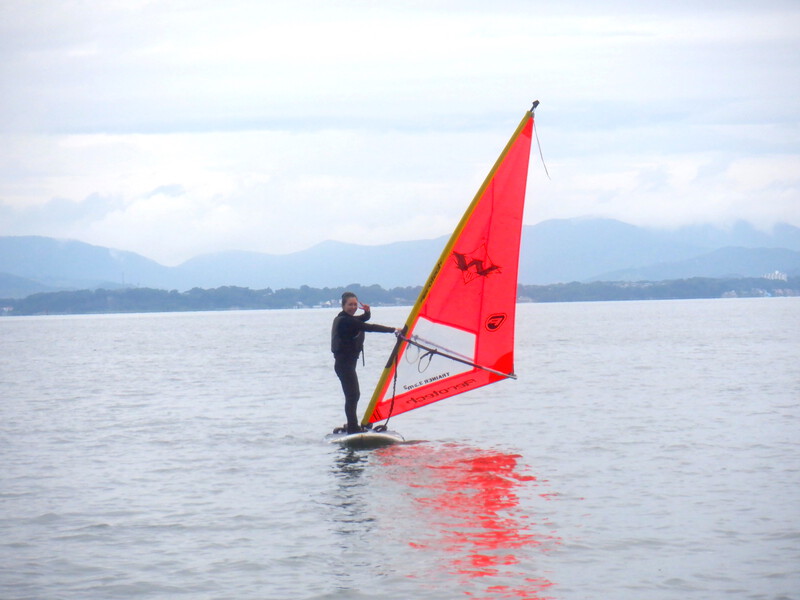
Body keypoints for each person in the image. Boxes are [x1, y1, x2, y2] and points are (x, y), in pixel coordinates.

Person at [331, 292, 399, 434]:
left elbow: (363, 319)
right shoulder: (345, 321)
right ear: (343, 305)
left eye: (355, 304)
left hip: (348, 364)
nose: (353, 307)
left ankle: (352, 425)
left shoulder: (348, 319)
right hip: (344, 364)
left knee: (353, 395)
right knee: (353, 395)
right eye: (350, 304)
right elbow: (370, 327)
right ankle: (352, 427)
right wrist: (393, 330)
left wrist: (367, 312)